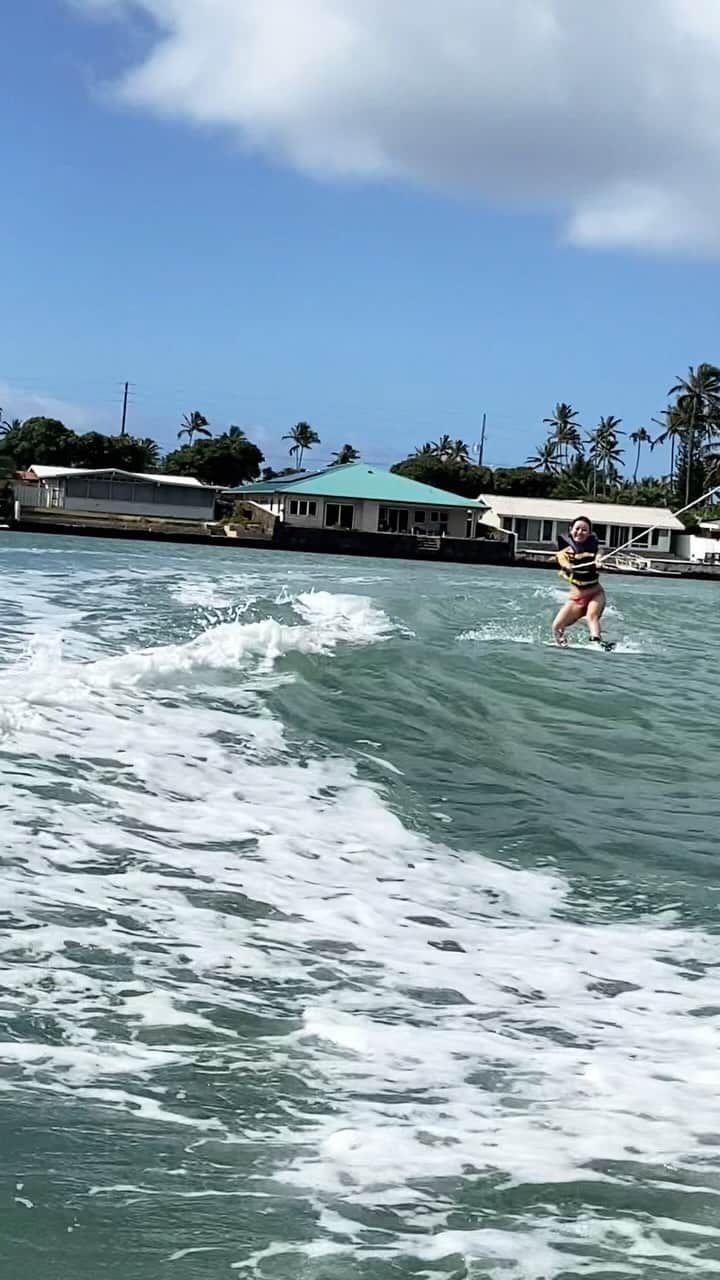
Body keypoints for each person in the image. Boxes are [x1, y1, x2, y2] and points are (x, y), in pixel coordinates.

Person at [551, 516, 611, 648]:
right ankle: (563, 647)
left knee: (592, 616)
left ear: (589, 533)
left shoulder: (594, 550)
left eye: (584, 530)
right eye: (577, 529)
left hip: (595, 594)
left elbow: (600, 551)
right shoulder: (564, 552)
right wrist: (567, 565)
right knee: (557, 626)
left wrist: (599, 560)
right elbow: (562, 559)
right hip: (576, 599)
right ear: (571, 530)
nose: (580, 532)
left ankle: (597, 643)